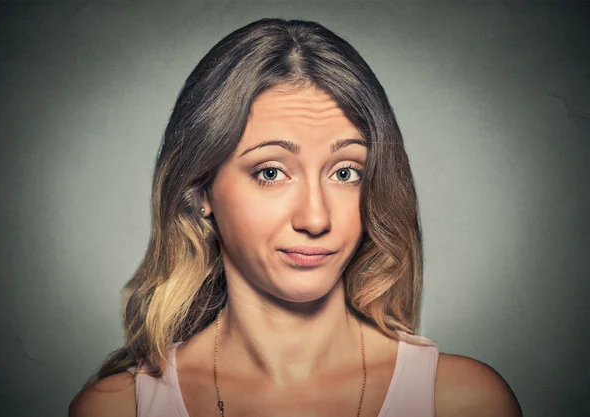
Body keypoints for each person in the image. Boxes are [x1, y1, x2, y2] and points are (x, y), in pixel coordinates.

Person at [69, 18, 522, 417]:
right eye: (271, 172)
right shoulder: (116, 409)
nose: (315, 217)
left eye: (346, 172)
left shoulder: (462, 402)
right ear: (200, 190)